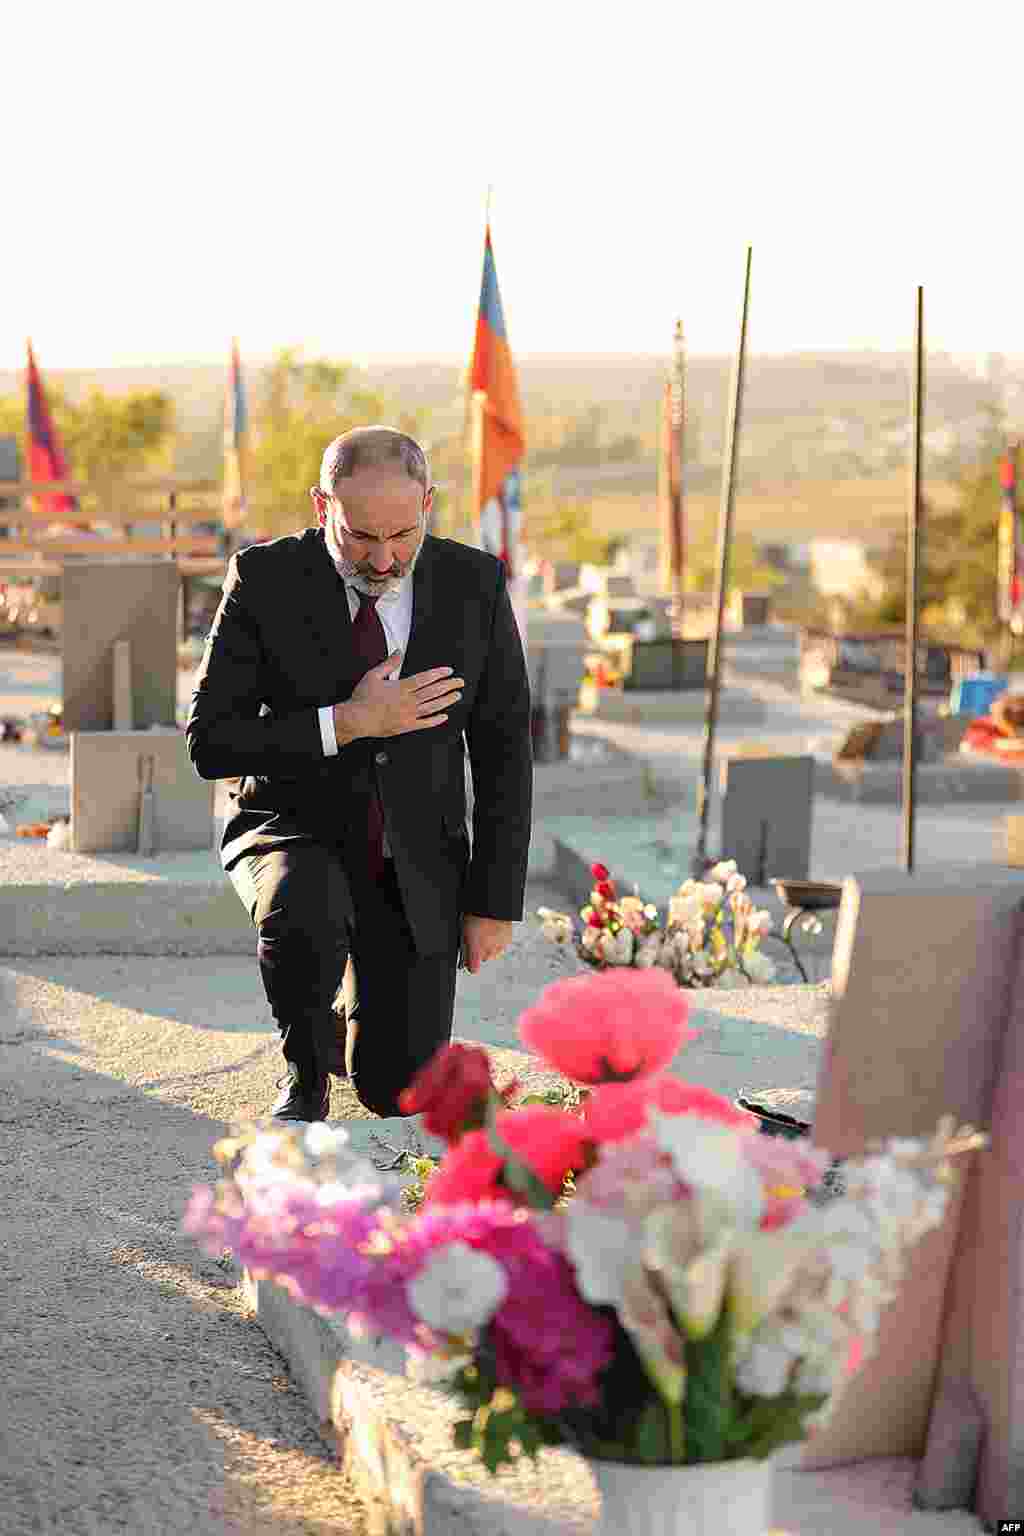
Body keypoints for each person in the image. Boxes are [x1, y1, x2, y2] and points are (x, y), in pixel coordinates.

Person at [186, 426, 532, 1123]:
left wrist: (493, 901)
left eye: (403, 535)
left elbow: (503, 749)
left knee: (397, 1092)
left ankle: (353, 1016)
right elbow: (210, 742)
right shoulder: (262, 579)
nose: (383, 560)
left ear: (429, 503)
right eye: (361, 539)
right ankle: (305, 1073)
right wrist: (345, 721)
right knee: (308, 907)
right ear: (322, 508)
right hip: (289, 825)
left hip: (415, 854)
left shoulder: (475, 584)